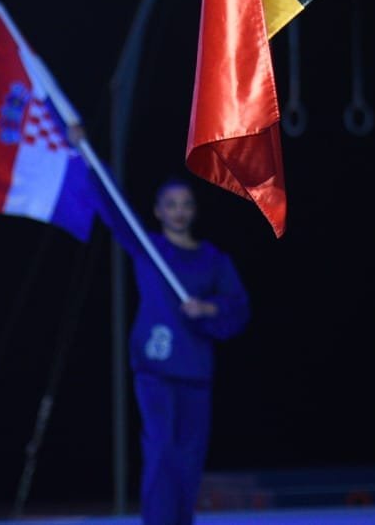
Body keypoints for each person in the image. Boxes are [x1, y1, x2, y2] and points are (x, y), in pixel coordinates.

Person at [125, 177, 251, 525]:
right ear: (157, 211)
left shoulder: (212, 259)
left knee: (188, 459)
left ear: (193, 211)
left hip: (195, 373)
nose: (178, 212)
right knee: (162, 449)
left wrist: (207, 309)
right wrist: (82, 150)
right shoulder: (147, 250)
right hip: (155, 373)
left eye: (185, 205)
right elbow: (112, 206)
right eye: (171, 205)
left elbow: (238, 307)